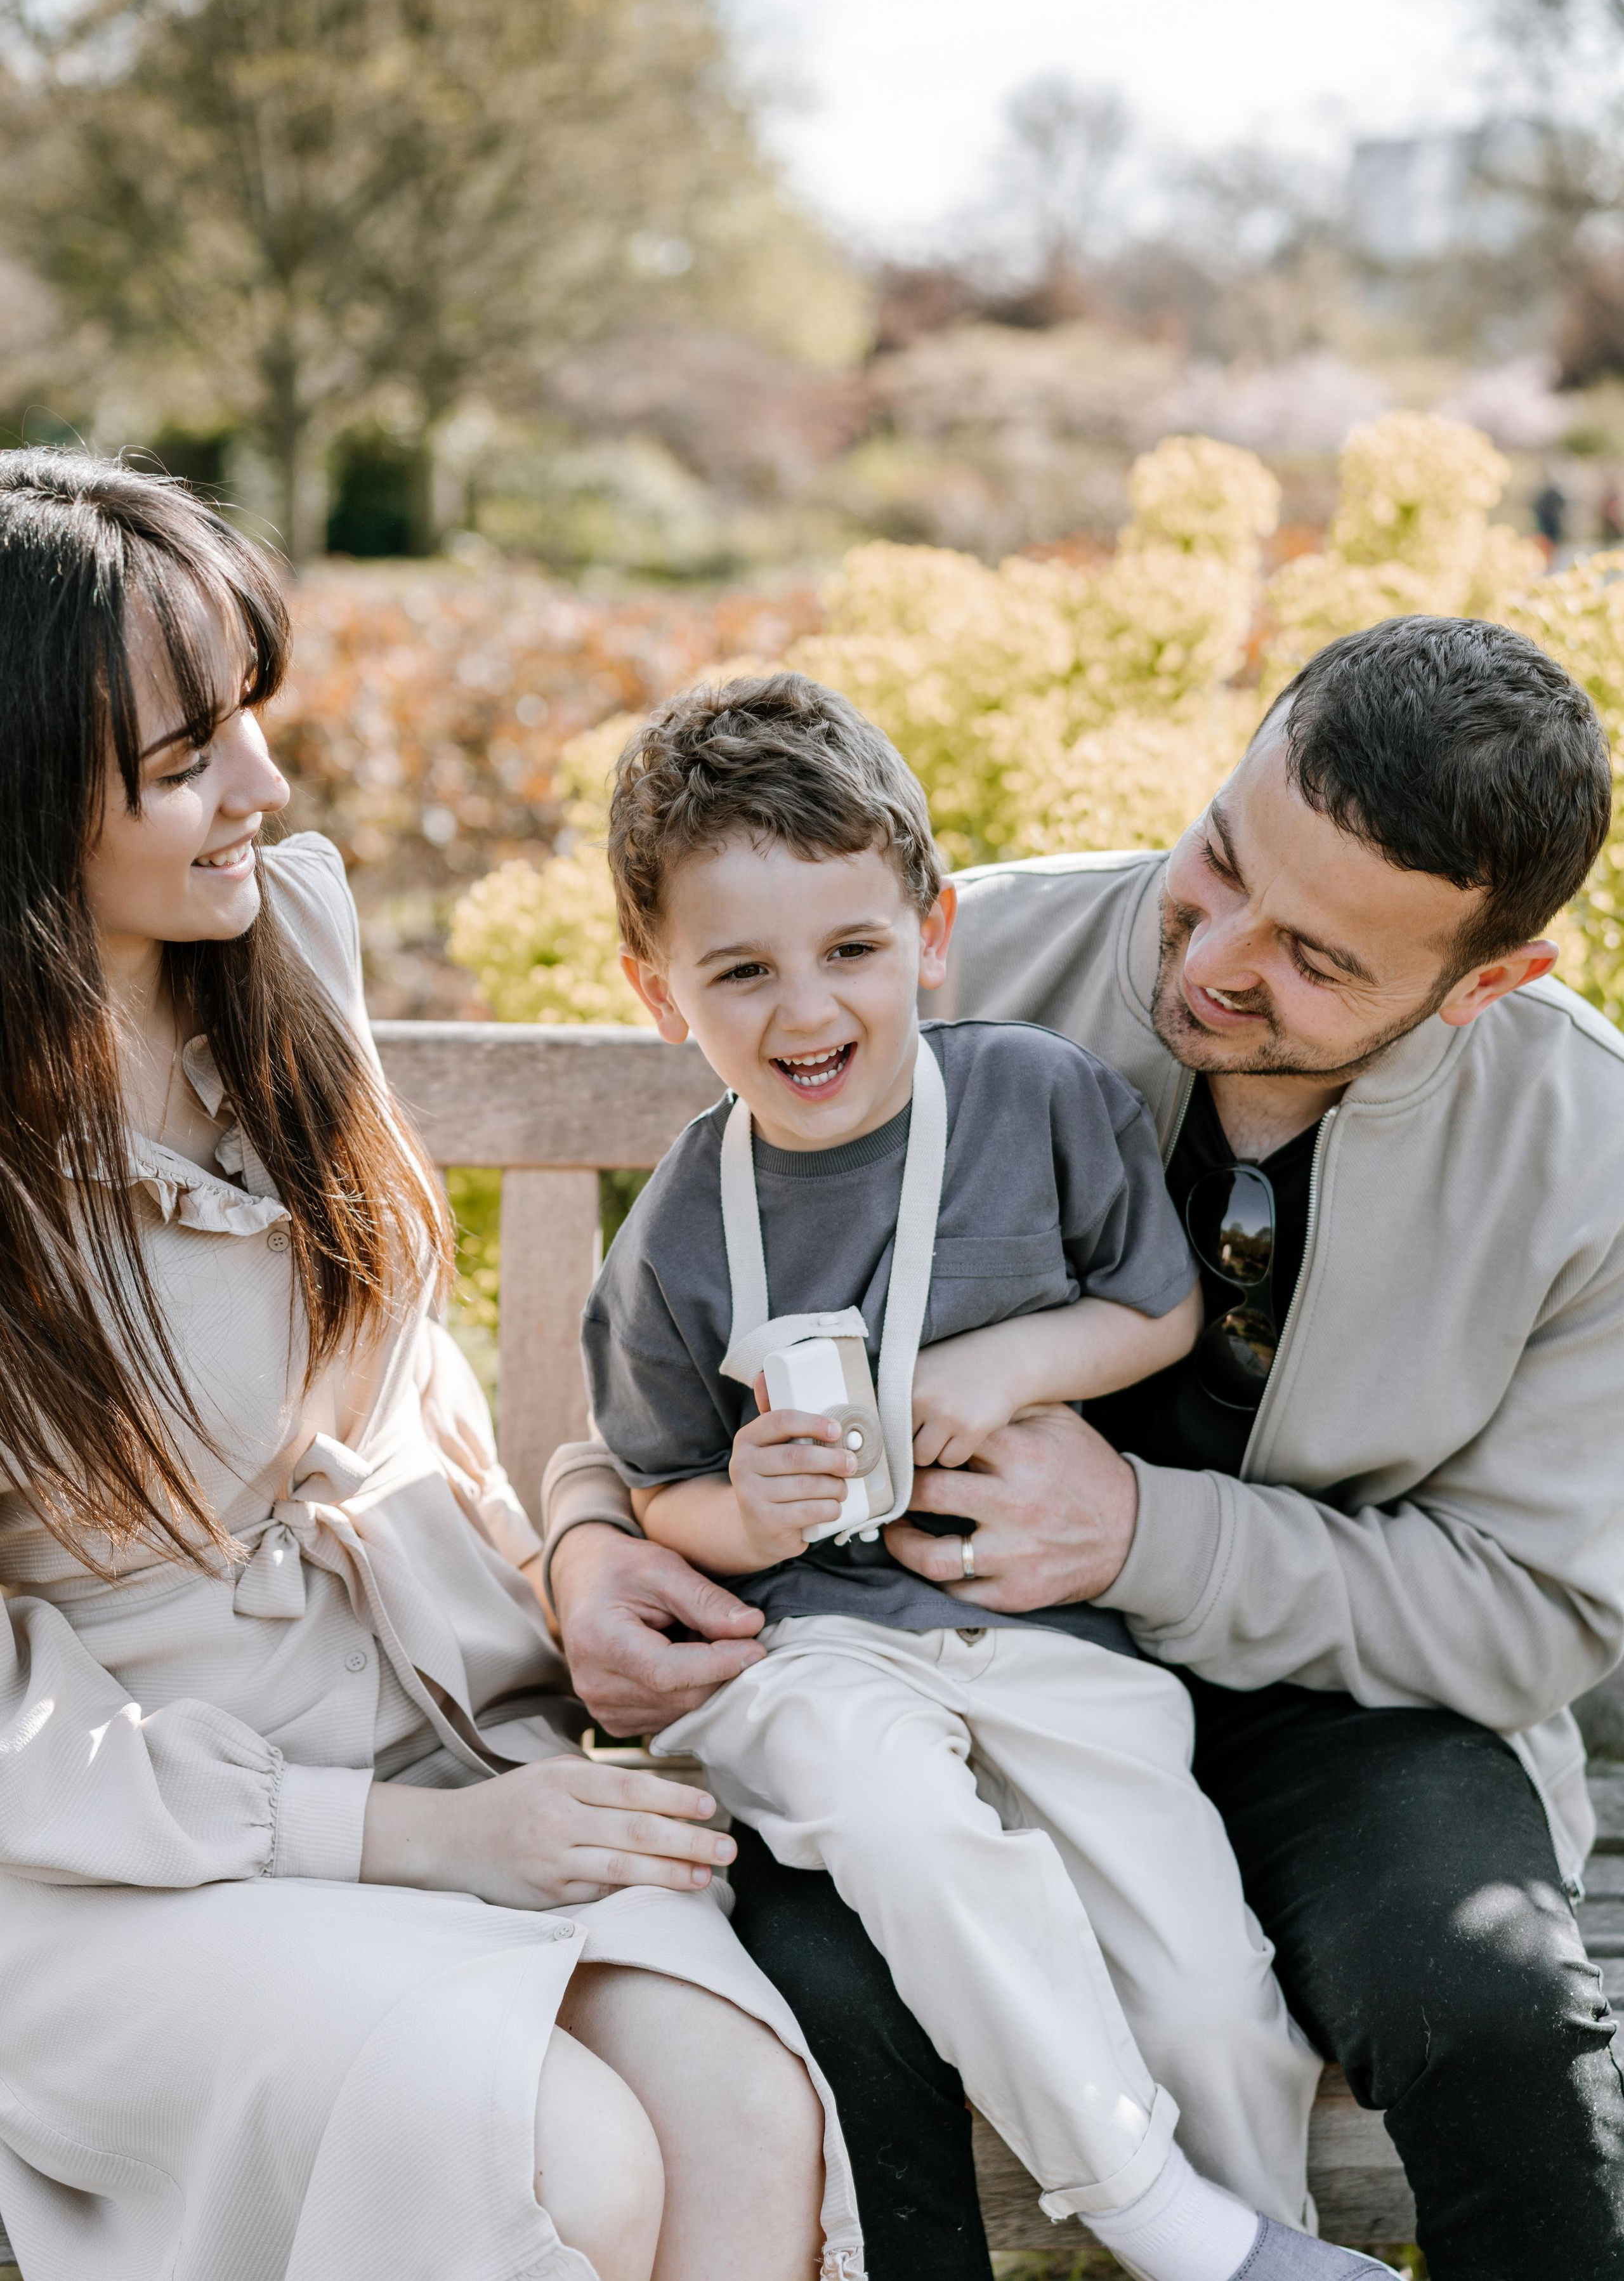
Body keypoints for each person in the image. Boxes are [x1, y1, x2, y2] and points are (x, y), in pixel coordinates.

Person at [544, 614, 1624, 2281]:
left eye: (1320, 962)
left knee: (1492, 2012)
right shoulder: (975, 954)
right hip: (914, 1668)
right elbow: (681, 1346)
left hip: (1349, 1713)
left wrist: (1141, 1539)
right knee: (838, 1996)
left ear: (1486, 983)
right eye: (1221, 858)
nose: (1213, 959)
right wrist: (593, 1545)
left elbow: (1541, 1612)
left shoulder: (1586, 1154)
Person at [0, 449, 862, 2281]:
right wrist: (408, 1842)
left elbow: (406, 1380)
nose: (265, 783)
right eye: (184, 757)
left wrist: (573, 1555)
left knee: (739, 2117)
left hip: (454, 1725)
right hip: (120, 1849)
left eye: (254, 709)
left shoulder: (276, 935)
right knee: (559, 2167)